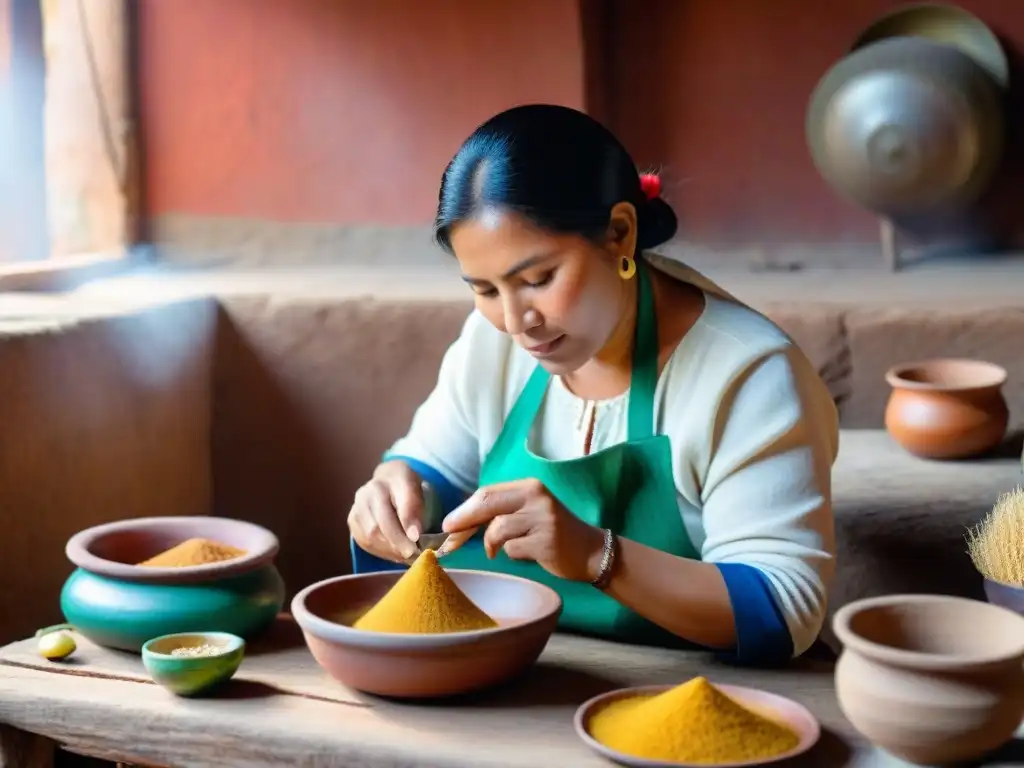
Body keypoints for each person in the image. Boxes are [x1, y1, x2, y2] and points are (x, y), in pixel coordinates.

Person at [348, 104, 839, 665]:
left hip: (693, 688)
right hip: (524, 679)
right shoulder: (493, 347)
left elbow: (784, 606)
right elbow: (434, 467)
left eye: (537, 279)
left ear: (619, 234)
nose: (515, 322)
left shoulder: (746, 374)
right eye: (484, 290)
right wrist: (399, 486)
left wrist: (597, 556)